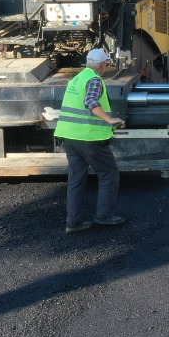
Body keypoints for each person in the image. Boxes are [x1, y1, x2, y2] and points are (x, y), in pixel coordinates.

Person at [56, 48, 127, 234]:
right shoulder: (94, 80)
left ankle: (73, 222)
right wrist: (110, 120)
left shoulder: (77, 79)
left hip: (69, 136)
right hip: (89, 137)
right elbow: (90, 102)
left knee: (76, 179)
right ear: (103, 65)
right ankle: (104, 216)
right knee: (109, 173)